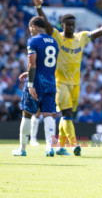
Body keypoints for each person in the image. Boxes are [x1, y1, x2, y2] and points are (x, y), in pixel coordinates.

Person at [31, 0, 102, 156]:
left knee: (67, 116)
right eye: (68, 26)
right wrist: (39, 7)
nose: (71, 28)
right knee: (66, 113)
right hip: (60, 83)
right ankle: (74, 145)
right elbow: (45, 23)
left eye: (73, 25)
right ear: (62, 25)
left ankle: (60, 147)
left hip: (75, 83)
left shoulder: (81, 37)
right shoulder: (57, 37)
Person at [12, 16, 59, 157]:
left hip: (37, 83)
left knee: (26, 114)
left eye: (30, 28)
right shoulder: (54, 42)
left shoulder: (33, 40)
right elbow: (47, 64)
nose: (30, 31)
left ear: (33, 26)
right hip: (51, 81)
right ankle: (50, 147)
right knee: (49, 114)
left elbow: (32, 63)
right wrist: (30, 73)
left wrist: (31, 84)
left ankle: (22, 149)